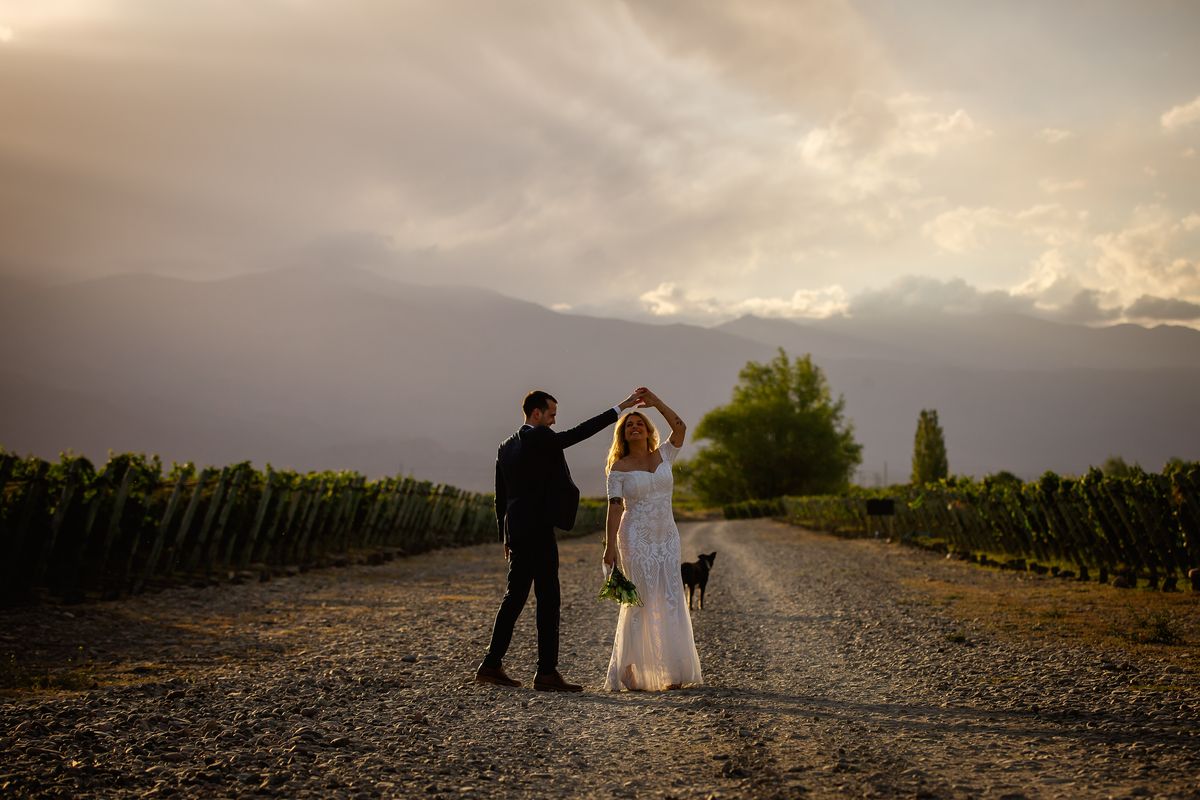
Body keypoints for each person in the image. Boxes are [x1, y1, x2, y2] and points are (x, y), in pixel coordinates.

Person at [477, 388, 644, 692]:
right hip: (539, 531)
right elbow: (578, 433)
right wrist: (620, 408)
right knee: (548, 598)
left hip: (517, 531)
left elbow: (501, 495)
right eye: (551, 414)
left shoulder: (506, 446)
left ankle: (491, 664)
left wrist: (505, 535)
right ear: (536, 413)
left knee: (513, 597)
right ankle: (546, 672)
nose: (554, 421)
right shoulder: (539, 436)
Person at [602, 388, 702, 691]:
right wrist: (609, 547)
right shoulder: (617, 469)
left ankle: (672, 669)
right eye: (629, 425)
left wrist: (655, 402)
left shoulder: (665, 455)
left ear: (648, 431)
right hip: (636, 537)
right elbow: (615, 507)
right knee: (641, 600)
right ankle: (628, 669)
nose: (634, 427)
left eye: (639, 424)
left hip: (667, 537)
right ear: (623, 434)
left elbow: (681, 427)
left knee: (670, 598)